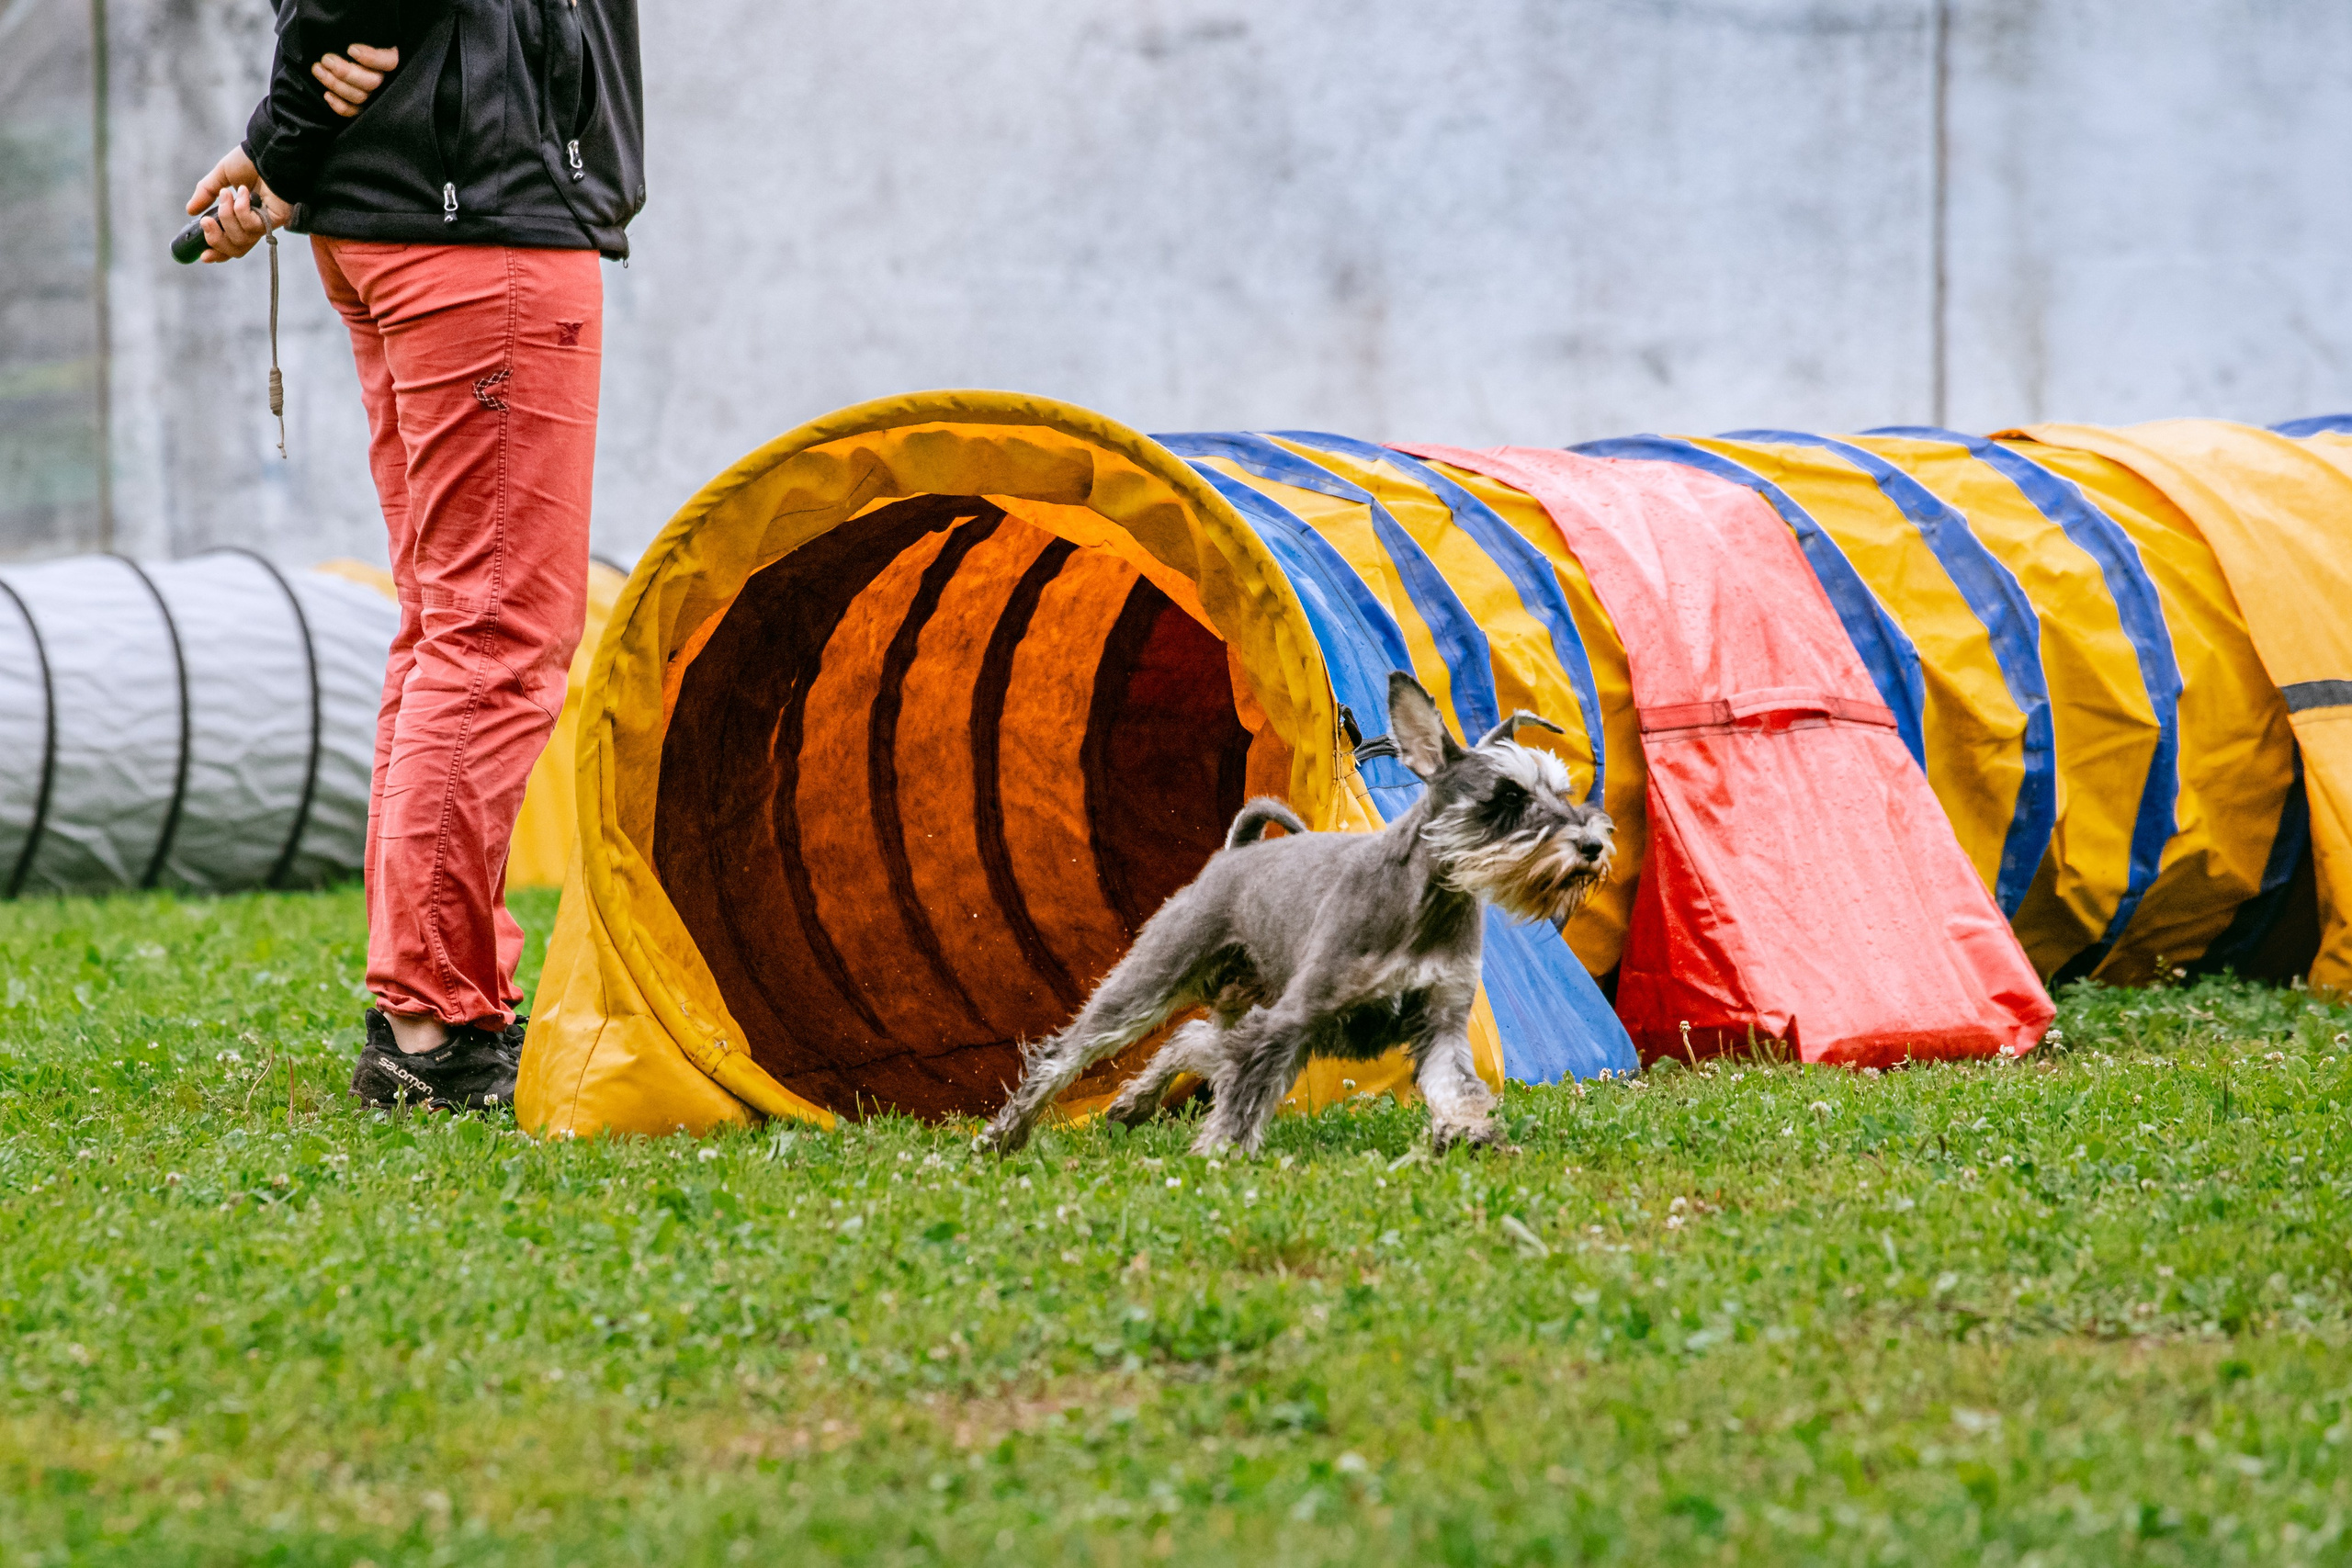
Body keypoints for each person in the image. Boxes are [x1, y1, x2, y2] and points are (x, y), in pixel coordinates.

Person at [189, 0, 644, 1111]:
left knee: (450, 626)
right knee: (493, 635)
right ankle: (432, 1027)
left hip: (417, 203)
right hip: (477, 215)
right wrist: (290, 126)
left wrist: (285, 146)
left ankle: (435, 1007)